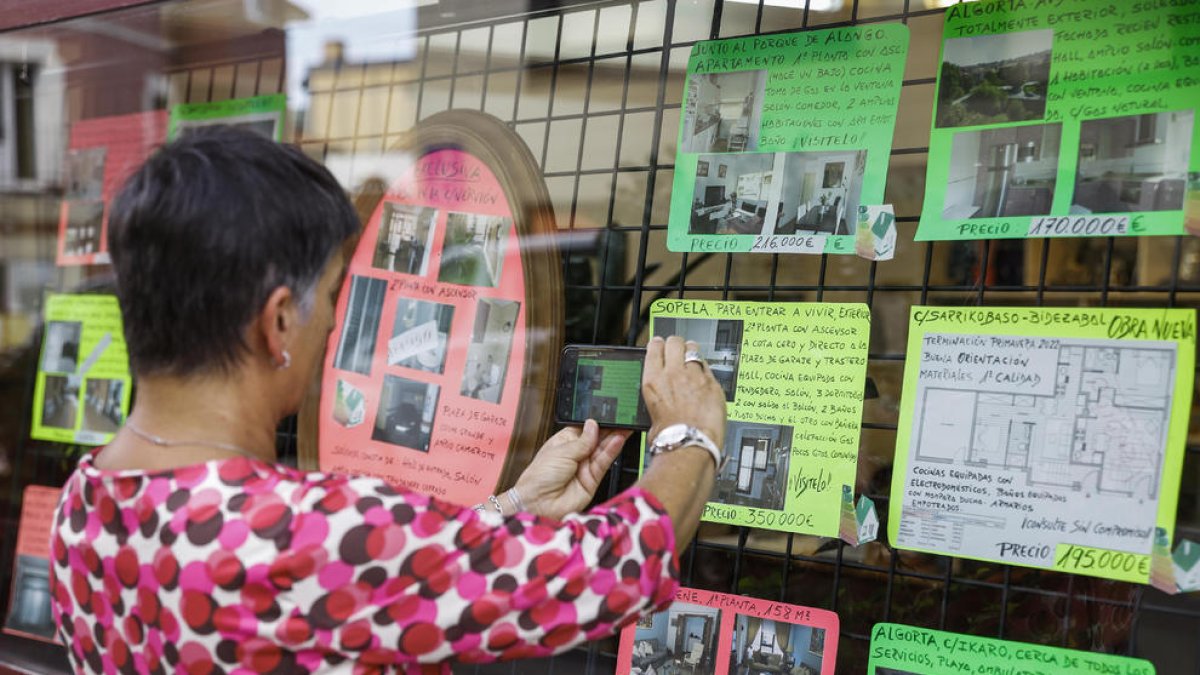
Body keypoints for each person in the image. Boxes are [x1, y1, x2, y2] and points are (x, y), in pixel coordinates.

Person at [49, 127, 728, 673]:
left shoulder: (82, 502)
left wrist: (512, 508)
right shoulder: (297, 529)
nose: (340, 322)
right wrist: (688, 436)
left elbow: (358, 593)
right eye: (337, 291)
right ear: (278, 320)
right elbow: (616, 570)